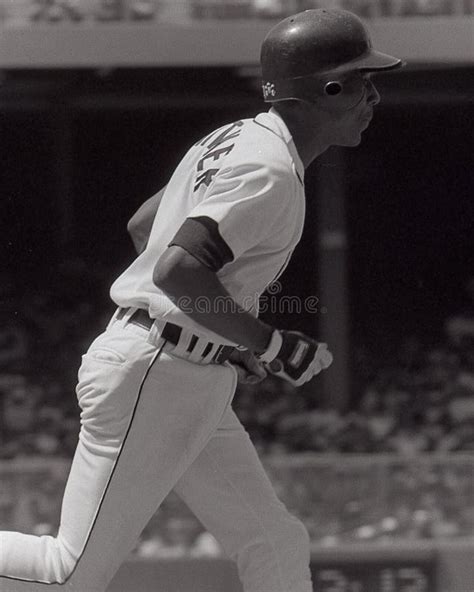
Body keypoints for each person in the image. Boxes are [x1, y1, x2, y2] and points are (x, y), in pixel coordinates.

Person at [0, 9, 403, 592]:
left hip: (184, 371)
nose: (373, 95)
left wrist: (224, 338)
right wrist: (269, 342)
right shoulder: (268, 168)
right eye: (363, 80)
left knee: (274, 542)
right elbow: (178, 267)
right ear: (326, 88)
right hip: (158, 371)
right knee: (70, 572)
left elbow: (146, 225)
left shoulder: (239, 136)